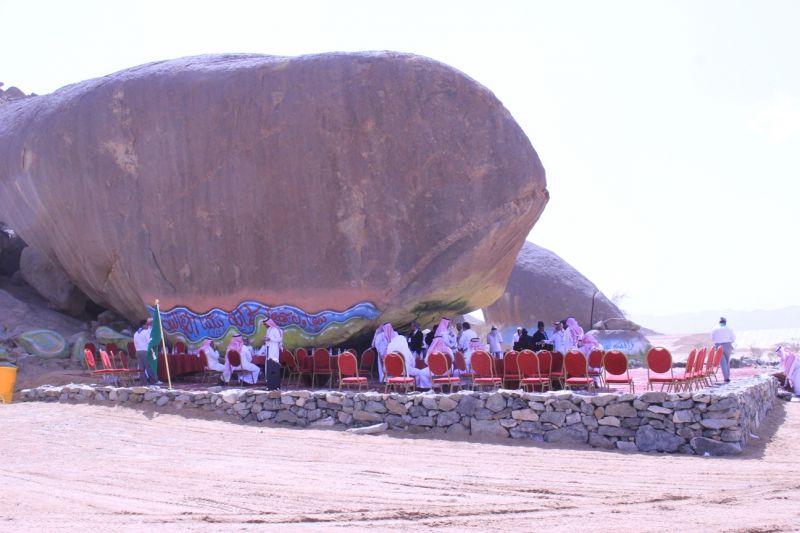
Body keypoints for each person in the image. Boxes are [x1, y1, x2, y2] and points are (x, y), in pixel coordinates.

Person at [260, 318, 283, 390]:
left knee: (274, 367)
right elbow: (268, 339)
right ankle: (269, 384)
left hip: (274, 350)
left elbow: (279, 339)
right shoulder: (268, 330)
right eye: (264, 324)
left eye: (265, 324)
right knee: (268, 367)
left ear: (269, 323)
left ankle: (275, 385)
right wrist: (266, 339)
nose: (265, 325)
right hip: (268, 350)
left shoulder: (275, 330)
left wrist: (270, 339)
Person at [711, 317, 736, 383]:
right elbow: (733, 338)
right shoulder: (729, 329)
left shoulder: (714, 329)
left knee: (722, 362)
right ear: (725, 322)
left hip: (718, 345)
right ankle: (727, 377)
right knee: (727, 361)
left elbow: (712, 338)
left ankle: (726, 377)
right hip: (727, 345)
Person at [133, 318, 156, 384]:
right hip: (144, 351)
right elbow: (150, 341)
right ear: (144, 325)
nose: (148, 326)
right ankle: (153, 382)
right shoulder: (146, 332)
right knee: (149, 366)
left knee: (141, 368)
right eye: (147, 325)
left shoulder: (136, 333)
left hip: (138, 351)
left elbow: (135, 342)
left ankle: (144, 382)